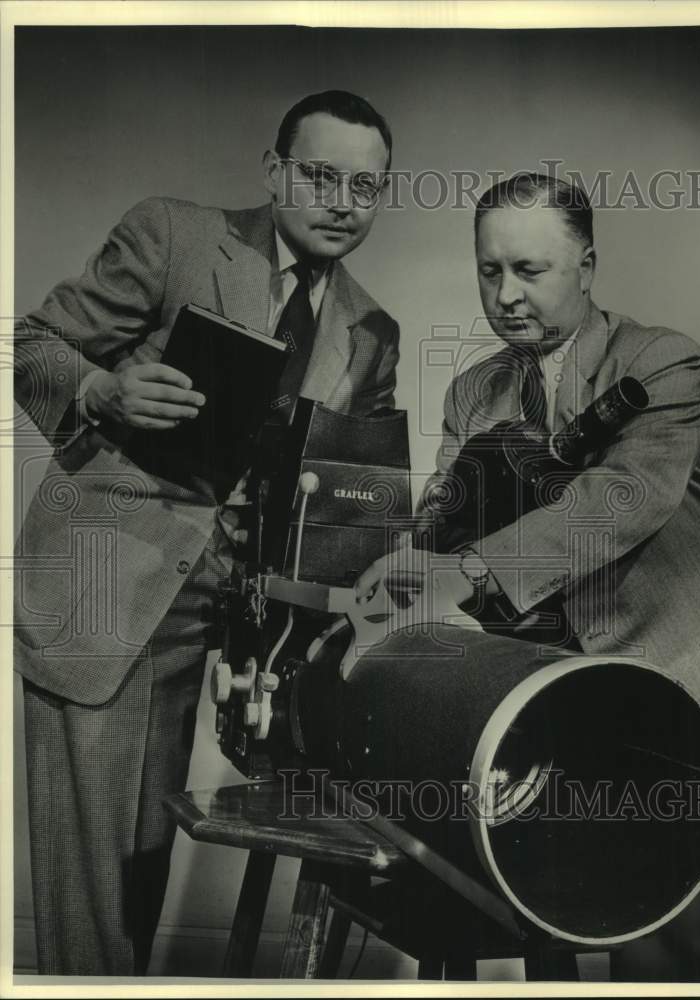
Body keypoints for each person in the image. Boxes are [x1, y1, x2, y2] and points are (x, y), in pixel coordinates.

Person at [14, 89, 399, 976]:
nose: (343, 202)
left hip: (224, 619)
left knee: (145, 861)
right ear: (273, 171)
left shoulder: (373, 331)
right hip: (105, 588)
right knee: (92, 881)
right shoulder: (174, 235)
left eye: (366, 187)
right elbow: (32, 344)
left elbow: (341, 499)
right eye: (321, 176)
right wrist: (98, 392)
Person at [355, 172, 700, 982]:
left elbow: (616, 501)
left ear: (586, 265)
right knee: (551, 945)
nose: (505, 295)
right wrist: (399, 568)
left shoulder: (661, 362)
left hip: (697, 704)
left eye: (529, 271)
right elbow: (445, 517)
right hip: (573, 719)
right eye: (488, 270)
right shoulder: (477, 391)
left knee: (670, 969)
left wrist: (463, 571)